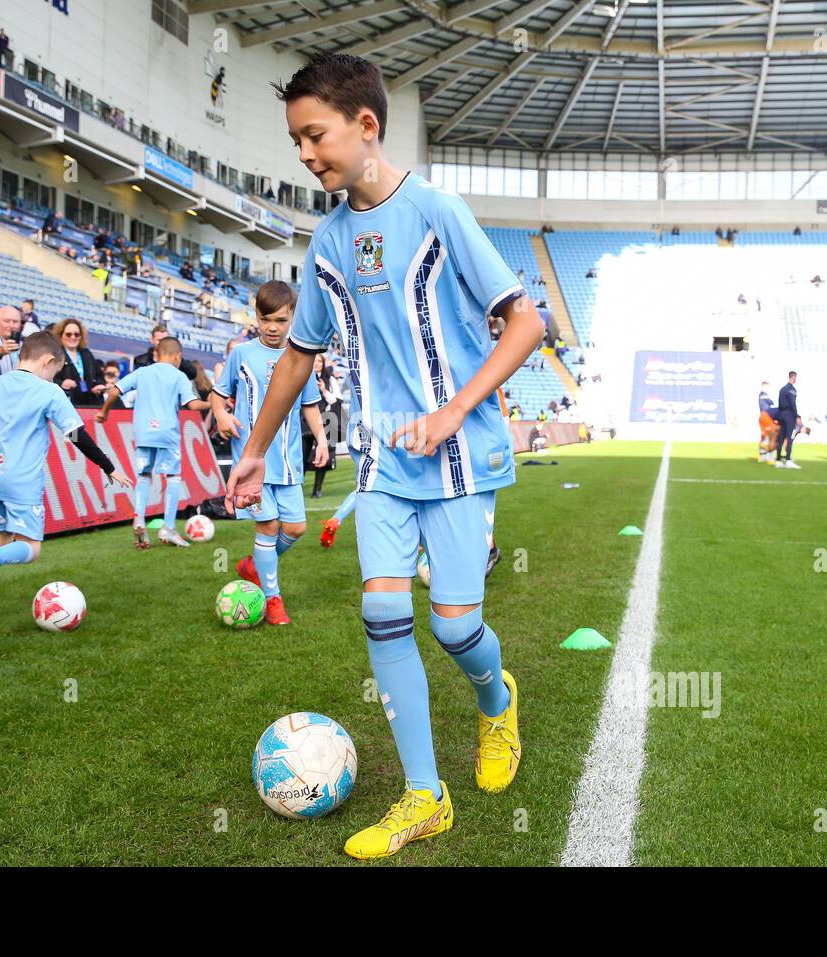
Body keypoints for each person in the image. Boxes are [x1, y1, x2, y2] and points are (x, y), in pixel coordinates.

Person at [226, 53, 536, 860]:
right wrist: (256, 449)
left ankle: (496, 699)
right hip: (382, 466)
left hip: (461, 458)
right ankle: (425, 795)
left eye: (315, 135)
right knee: (383, 613)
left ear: (366, 126)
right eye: (295, 140)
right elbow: (298, 354)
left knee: (457, 625)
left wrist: (452, 411)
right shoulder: (326, 240)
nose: (305, 154)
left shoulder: (438, 210)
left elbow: (526, 322)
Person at [0, 332, 132, 622]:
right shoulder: (49, 392)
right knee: (30, 549)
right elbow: (76, 435)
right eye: (56, 371)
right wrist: (108, 466)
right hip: (22, 482)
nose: (54, 376)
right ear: (48, 361)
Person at [211, 281, 328, 625]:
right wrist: (220, 414)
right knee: (269, 525)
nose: (273, 328)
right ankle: (272, 597)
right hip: (253, 462)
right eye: (266, 320)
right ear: (256, 317)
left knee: (294, 528)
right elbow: (219, 394)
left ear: (292, 317)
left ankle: (254, 565)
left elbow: (310, 405)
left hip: (289, 461)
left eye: (280, 320)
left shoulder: (301, 357)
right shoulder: (242, 354)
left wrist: (321, 439)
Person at [96, 337, 208, 548]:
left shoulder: (142, 372)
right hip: (167, 433)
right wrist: (212, 403)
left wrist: (104, 412)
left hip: (144, 432)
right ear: (178, 357)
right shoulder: (179, 376)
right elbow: (192, 405)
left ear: (157, 354)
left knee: (144, 475)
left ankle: (139, 517)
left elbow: (114, 391)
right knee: (173, 476)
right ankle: (168, 528)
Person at [303, 351, 339, 497]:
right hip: (304, 423)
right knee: (302, 456)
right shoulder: (304, 377)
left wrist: (324, 390)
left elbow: (335, 400)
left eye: (319, 361)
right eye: (314, 360)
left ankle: (317, 489)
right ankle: (298, 486)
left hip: (325, 421)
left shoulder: (330, 380)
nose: (316, 363)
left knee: (322, 456)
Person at [51, 318, 106, 407]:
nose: (73, 337)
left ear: (81, 336)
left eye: (77, 334)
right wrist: (61, 383)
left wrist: (100, 385)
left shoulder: (87, 353)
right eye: (68, 334)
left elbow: (99, 375)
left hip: (90, 404)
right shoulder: (55, 355)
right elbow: (48, 379)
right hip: (67, 404)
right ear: (60, 336)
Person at [133, 323, 197, 381]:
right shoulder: (140, 360)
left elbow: (192, 374)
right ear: (152, 340)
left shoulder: (176, 360)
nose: (162, 343)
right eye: (159, 340)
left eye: (165, 340)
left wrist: (178, 360)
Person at [774, 372, 801, 468]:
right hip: (789, 415)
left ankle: (777, 460)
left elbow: (780, 403)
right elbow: (792, 404)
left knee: (781, 438)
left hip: (781, 414)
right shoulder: (792, 390)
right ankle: (788, 459)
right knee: (789, 437)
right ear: (793, 377)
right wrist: (797, 416)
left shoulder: (782, 389)